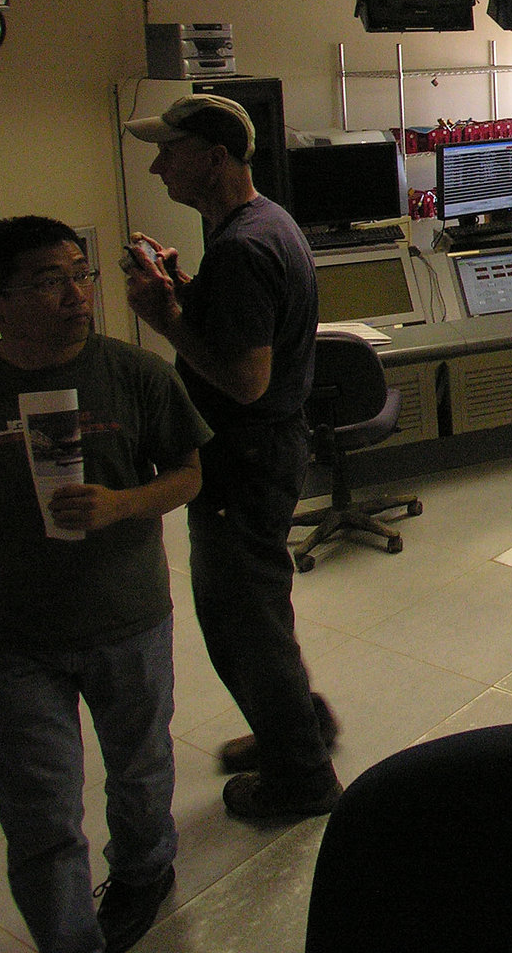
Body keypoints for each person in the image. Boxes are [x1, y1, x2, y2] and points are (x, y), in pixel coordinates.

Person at [0, 217, 207, 953]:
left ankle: (146, 872)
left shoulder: (136, 375)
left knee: (141, 770)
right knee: (40, 813)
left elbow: (188, 475)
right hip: (13, 640)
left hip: (129, 620)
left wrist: (122, 504)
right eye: (48, 280)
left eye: (79, 273)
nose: (77, 294)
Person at [120, 94, 341, 820]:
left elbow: (246, 381)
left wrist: (164, 319)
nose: (157, 167)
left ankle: (301, 777)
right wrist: (190, 296)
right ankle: (297, 727)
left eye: (170, 152)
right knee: (260, 611)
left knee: (243, 624)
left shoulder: (244, 247)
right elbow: (250, 333)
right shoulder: (261, 224)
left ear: (213, 158)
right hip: (270, 449)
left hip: (245, 458)